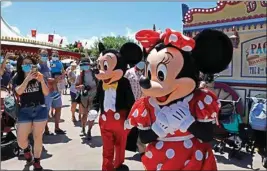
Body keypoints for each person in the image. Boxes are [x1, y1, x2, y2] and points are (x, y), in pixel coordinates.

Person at [125, 28, 233, 170]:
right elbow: (144, 138)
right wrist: (158, 129)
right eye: (149, 74)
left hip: (192, 159)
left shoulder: (198, 100)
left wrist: (188, 123)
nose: (149, 83)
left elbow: (207, 136)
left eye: (161, 75)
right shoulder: (147, 104)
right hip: (160, 160)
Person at [14, 55, 49, 171]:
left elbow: (46, 93)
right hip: (25, 110)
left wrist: (42, 81)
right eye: (25, 63)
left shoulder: (39, 76)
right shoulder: (17, 77)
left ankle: (37, 161)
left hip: (40, 108)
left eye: (30, 63)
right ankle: (27, 149)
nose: (27, 65)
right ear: (21, 65)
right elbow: (18, 91)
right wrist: (27, 79)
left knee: (38, 137)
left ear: (34, 65)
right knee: (21, 140)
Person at [124, 61, 146, 156]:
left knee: (142, 127)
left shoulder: (146, 73)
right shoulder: (129, 72)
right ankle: (133, 146)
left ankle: (142, 150)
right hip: (130, 104)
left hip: (142, 104)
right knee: (130, 127)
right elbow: (123, 87)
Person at [76, 58, 97, 138]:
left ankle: (89, 131)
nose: (85, 66)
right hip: (84, 96)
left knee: (92, 114)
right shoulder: (80, 75)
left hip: (94, 95)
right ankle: (83, 128)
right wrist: (81, 87)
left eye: (86, 64)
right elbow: (76, 86)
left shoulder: (95, 73)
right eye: (83, 64)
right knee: (84, 114)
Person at [45, 50, 65, 134]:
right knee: (46, 110)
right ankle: (46, 129)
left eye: (56, 55)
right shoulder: (48, 63)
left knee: (58, 108)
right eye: (54, 55)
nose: (55, 56)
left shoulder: (60, 63)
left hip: (57, 89)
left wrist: (61, 77)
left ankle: (57, 127)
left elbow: (63, 73)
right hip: (48, 89)